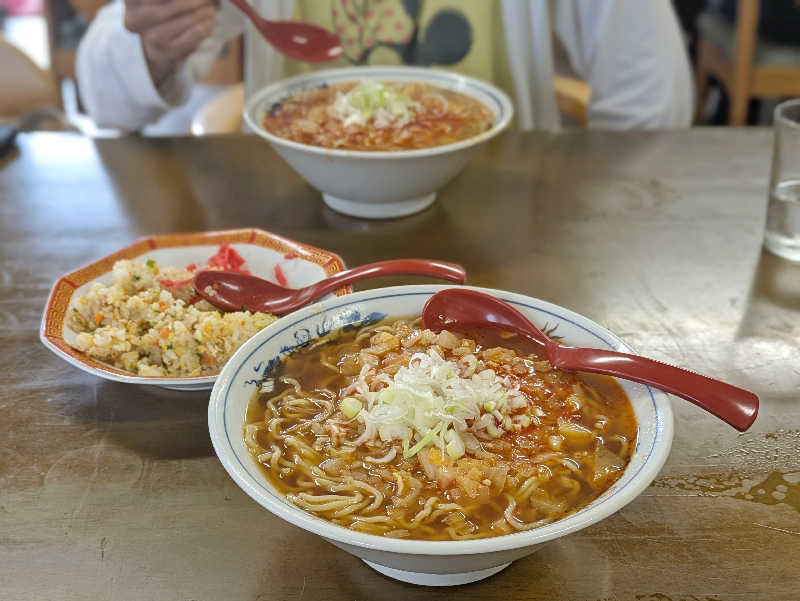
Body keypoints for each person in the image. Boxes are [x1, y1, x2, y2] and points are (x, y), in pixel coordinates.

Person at [77, 0, 693, 132]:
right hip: (296, 248)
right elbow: (106, 98)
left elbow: (650, 101)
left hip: (512, 235)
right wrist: (154, 43)